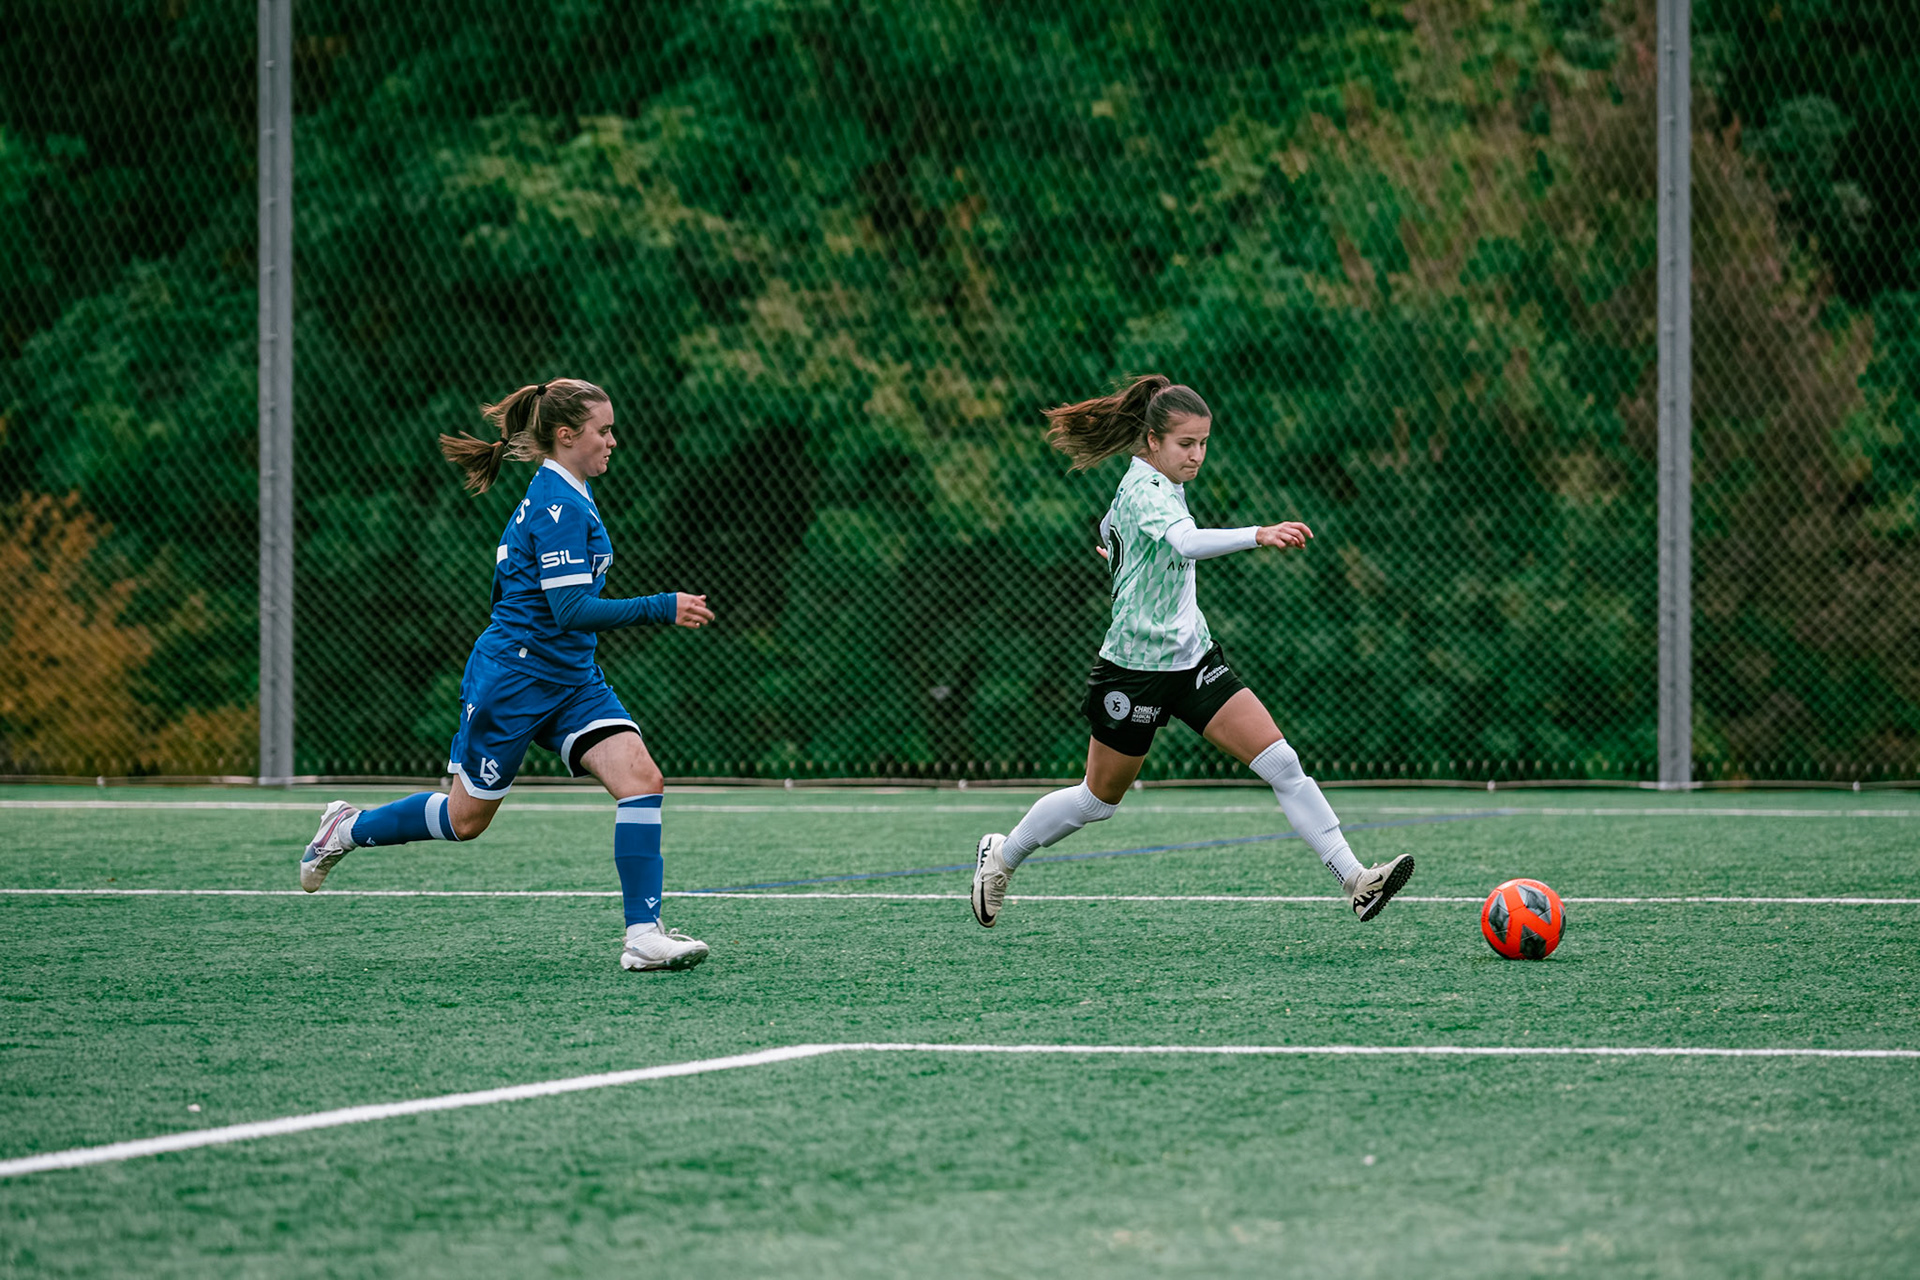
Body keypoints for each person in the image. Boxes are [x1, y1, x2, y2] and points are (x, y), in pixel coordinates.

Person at [299, 378, 715, 972]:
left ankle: (643, 936)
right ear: (566, 436)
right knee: (463, 820)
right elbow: (569, 610)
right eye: (604, 430)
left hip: (570, 677)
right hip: (515, 679)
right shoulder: (558, 505)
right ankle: (347, 827)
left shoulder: (569, 493)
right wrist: (662, 605)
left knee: (642, 780)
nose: (613, 441)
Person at [971, 375, 1414, 928]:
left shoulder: (1156, 485)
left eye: (1203, 443)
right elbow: (1185, 542)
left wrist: (1112, 542)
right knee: (1096, 802)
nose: (1197, 455)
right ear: (1152, 441)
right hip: (1133, 672)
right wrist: (1258, 533)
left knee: (1282, 763)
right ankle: (1002, 856)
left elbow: (1114, 530)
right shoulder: (1146, 489)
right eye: (1186, 444)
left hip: (1193, 659)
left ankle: (1356, 879)